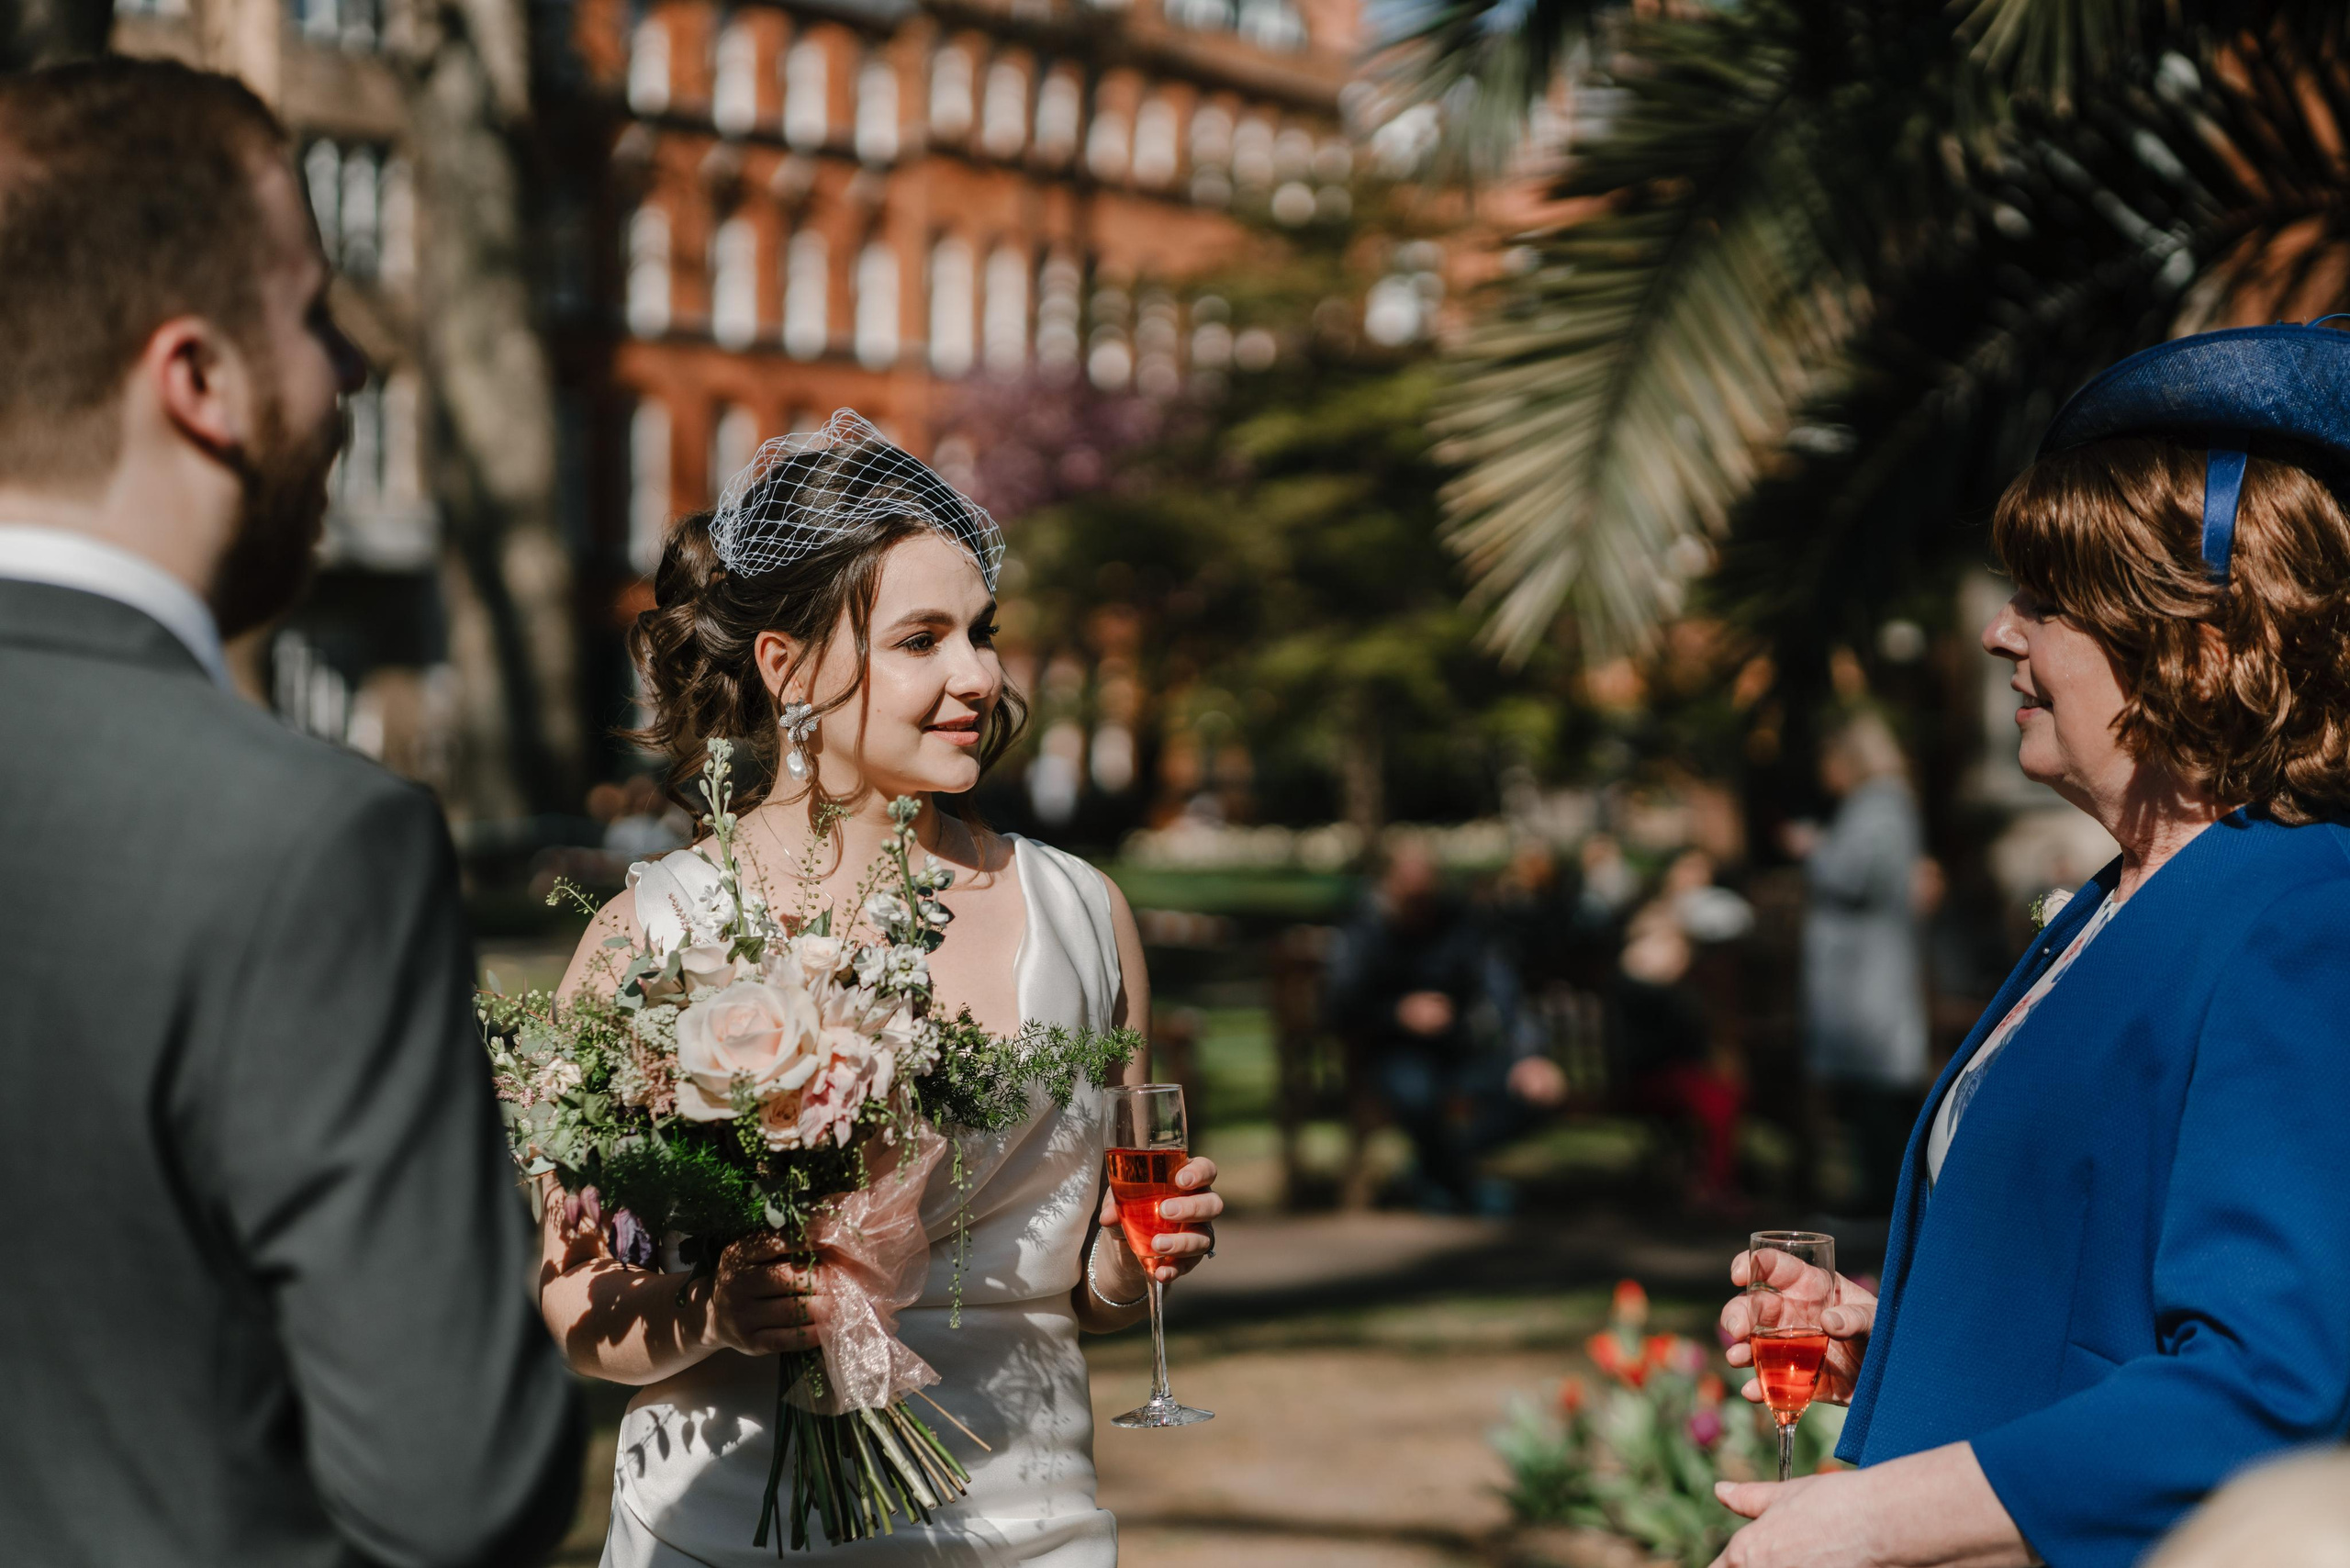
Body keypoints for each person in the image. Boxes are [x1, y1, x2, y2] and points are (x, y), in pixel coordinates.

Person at [0, 60, 580, 1566]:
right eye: (313, 314)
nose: (350, 372)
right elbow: (458, 1492)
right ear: (198, 379)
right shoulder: (310, 845)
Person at [1710, 322, 2350, 1568]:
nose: (2004, 636)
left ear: (2199, 649)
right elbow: (2105, 1303)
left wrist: (1864, 1523)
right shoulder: (2129, 897)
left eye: (2047, 607)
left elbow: (2267, 1391)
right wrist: (1892, 1335)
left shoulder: (2304, 915)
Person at [545, 411, 1224, 1565]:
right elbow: (577, 1308)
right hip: (725, 1530)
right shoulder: (649, 936)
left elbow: (1086, 1288)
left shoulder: (1086, 920)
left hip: (1029, 1527)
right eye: (922, 640)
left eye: (981, 632)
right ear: (789, 666)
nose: (978, 675)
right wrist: (711, 1313)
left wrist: (1122, 1269)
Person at [1327, 842, 1566, 1214]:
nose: (1420, 902)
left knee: (1536, 1093)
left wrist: (1531, 1056)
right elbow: (1340, 1007)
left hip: (1457, 1053)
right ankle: (1456, 1185)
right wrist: (1398, 1013)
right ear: (1389, 887)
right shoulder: (1363, 932)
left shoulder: (1463, 927)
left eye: (1426, 892)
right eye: (1410, 893)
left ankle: (1430, 1174)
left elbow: (1504, 992)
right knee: (1418, 1094)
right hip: (1392, 1055)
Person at [1785, 713, 1930, 1215]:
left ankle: (1881, 1202)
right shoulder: (1884, 803)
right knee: (1870, 1092)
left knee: (1877, 1094)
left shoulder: (1880, 805)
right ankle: (1878, 1197)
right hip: (1864, 972)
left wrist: (1813, 848)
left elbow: (1854, 876)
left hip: (1866, 976)